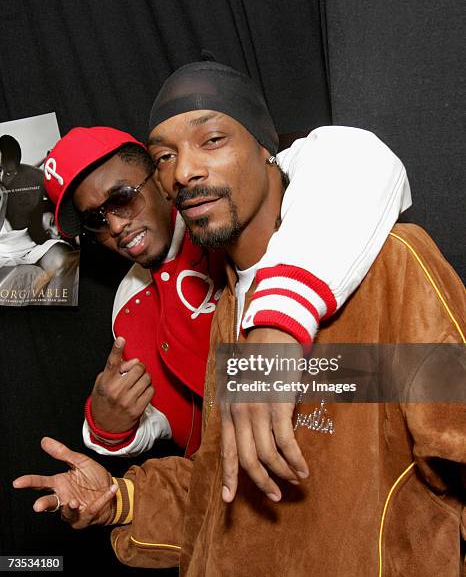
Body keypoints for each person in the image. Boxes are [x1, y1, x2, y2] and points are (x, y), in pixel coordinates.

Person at [14, 63, 465, 576]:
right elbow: (221, 490)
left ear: (268, 148)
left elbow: (443, 421)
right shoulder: (228, 308)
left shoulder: (392, 265)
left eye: (212, 139)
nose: (185, 170)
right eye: (167, 156)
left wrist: (289, 349)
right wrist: (121, 500)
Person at [43, 72, 410, 462]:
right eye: (97, 219)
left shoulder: (237, 215)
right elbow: (192, 432)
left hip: (367, 457)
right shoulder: (130, 305)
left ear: (157, 180)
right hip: (252, 488)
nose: (115, 226)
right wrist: (107, 428)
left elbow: (353, 156)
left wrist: (277, 324)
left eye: (122, 198)